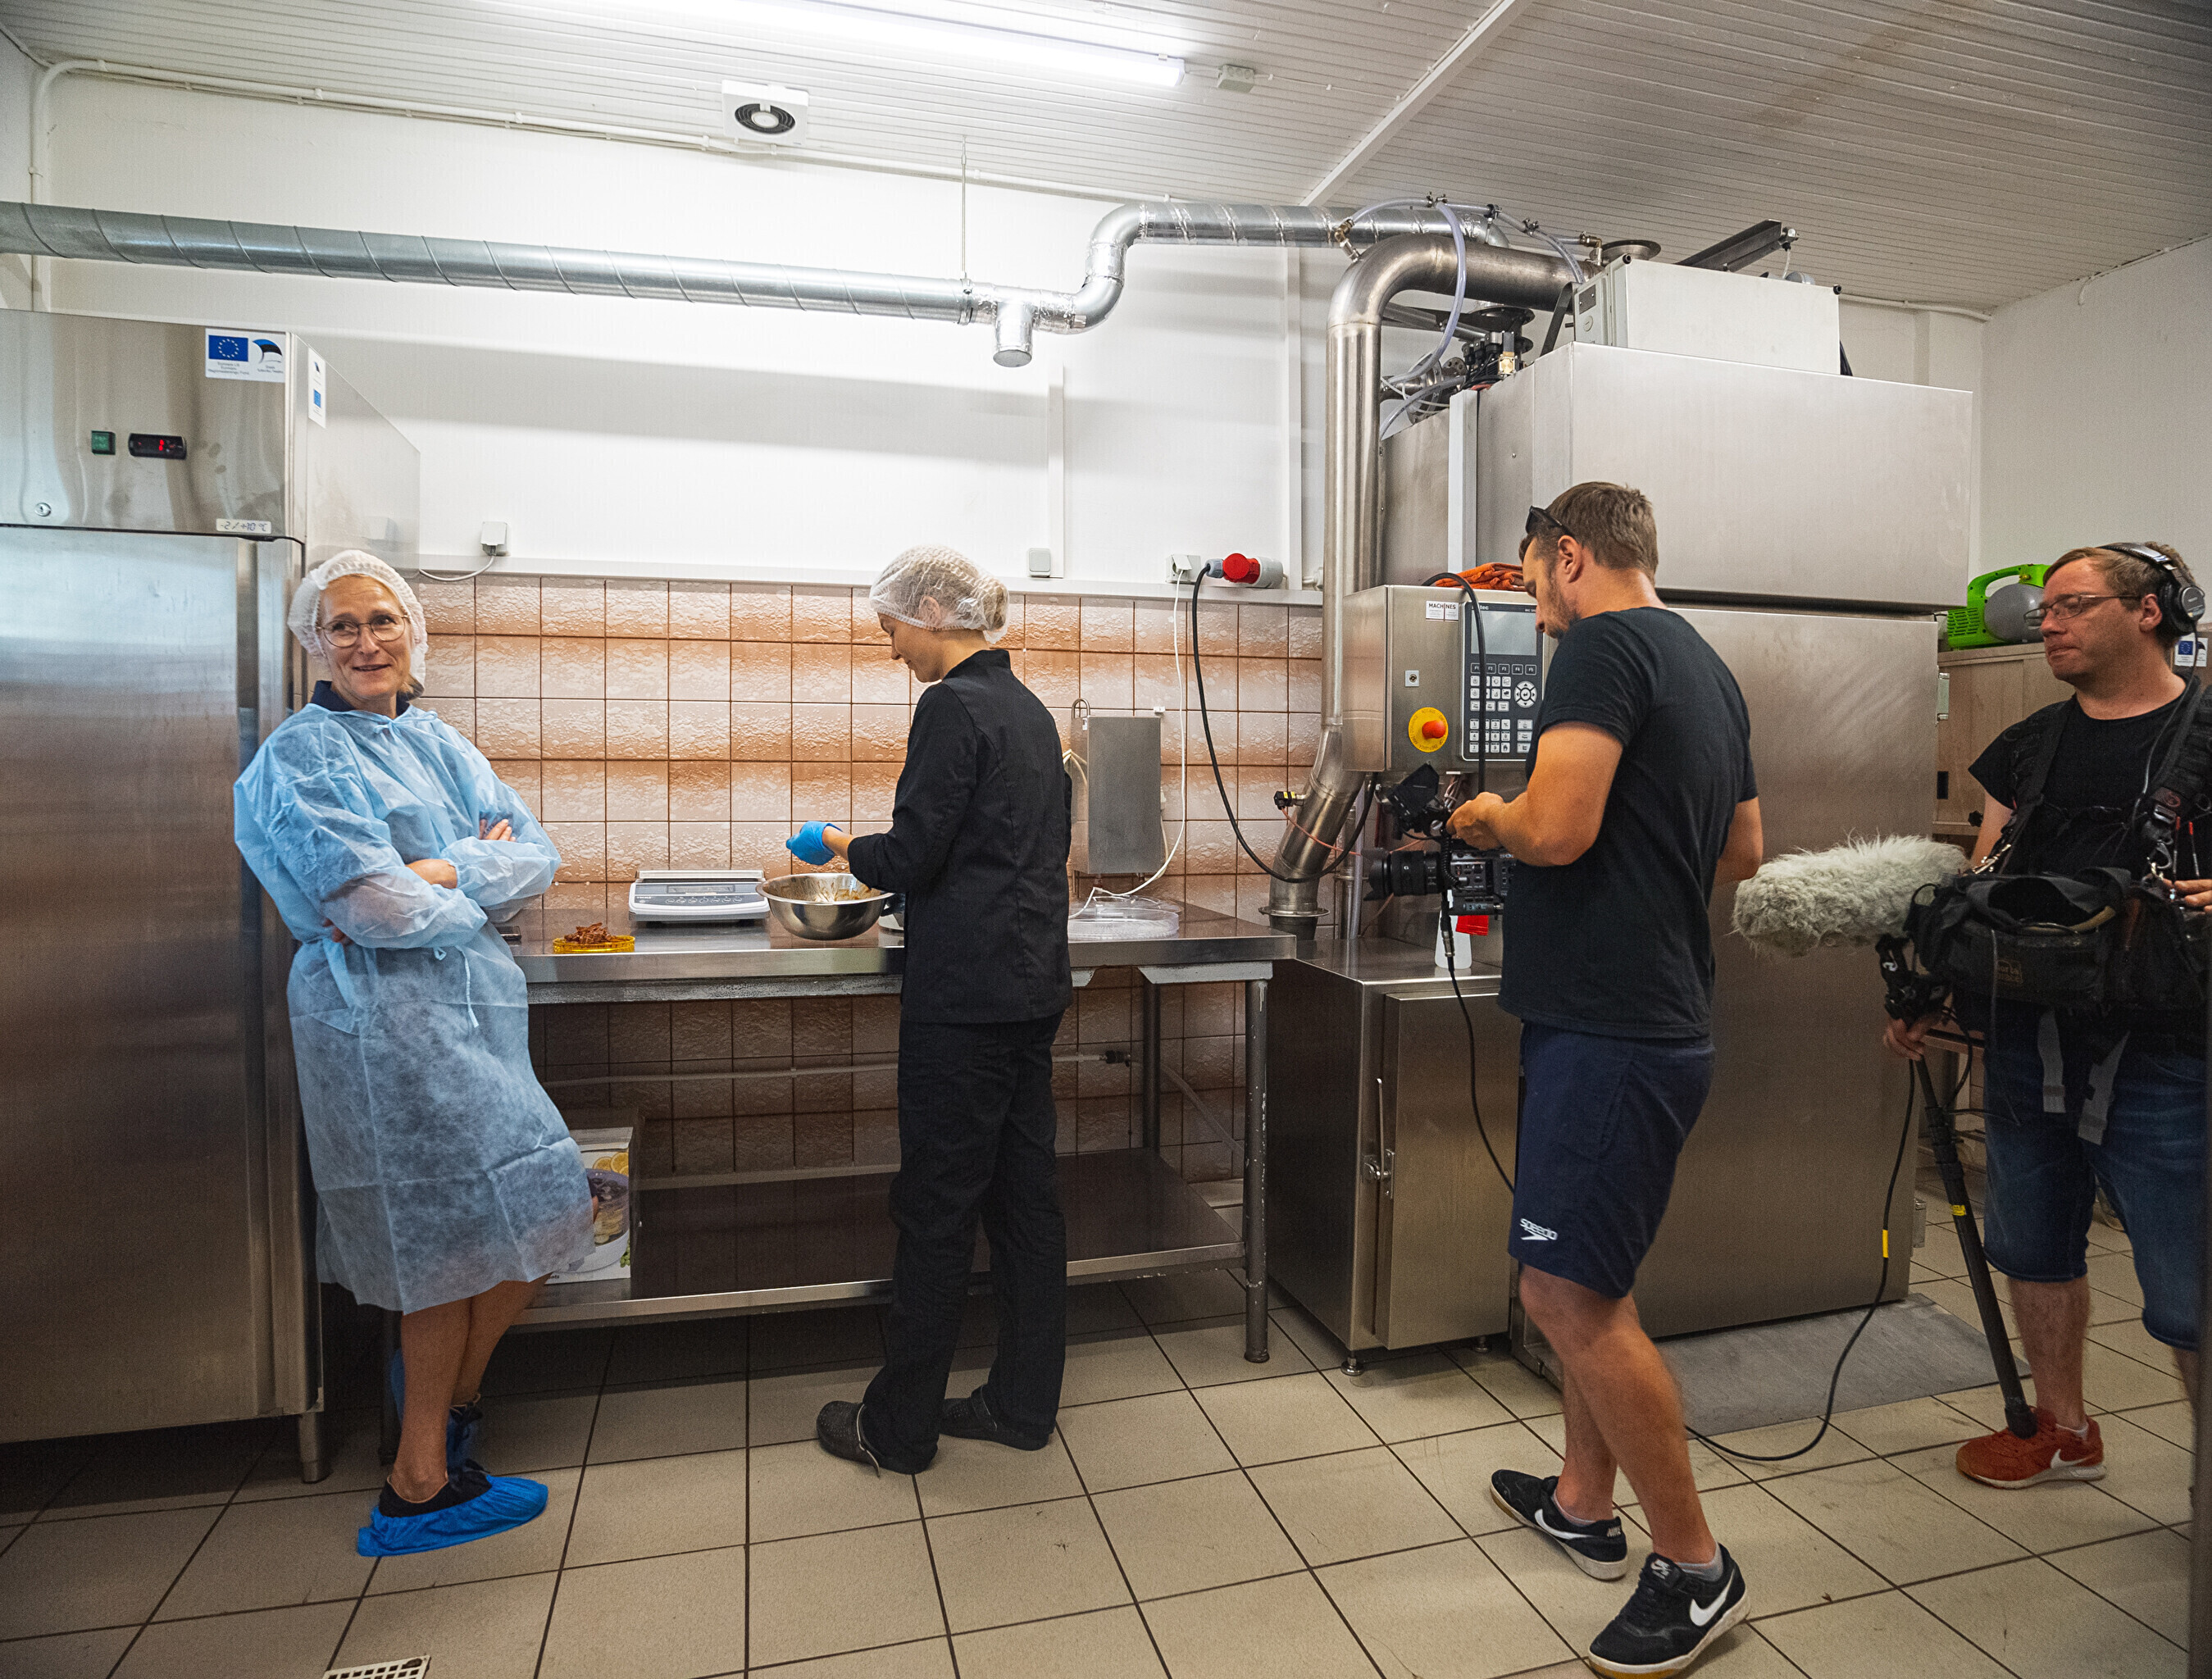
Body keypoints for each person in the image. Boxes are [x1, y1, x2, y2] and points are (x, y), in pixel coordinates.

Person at [1448, 484, 1764, 1679]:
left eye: (1534, 579)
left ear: (1570, 556)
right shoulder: (1704, 665)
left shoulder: (1601, 647)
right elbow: (1741, 849)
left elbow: (1559, 827)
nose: (1534, 605)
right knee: (1583, 1275)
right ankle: (1583, 1501)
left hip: (1610, 1029)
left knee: (1566, 1298)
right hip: (1646, 1016)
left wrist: (1494, 814)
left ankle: (1694, 1565)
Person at [235, 552, 593, 1557]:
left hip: (471, 1017)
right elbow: (373, 912)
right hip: (382, 1028)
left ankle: (449, 1401)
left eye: (382, 620)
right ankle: (418, 1480)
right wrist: (459, 879)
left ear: (412, 632)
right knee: (439, 1252)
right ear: (314, 642)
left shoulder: (438, 741)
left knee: (548, 1205)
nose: (365, 641)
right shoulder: (302, 758)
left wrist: (435, 867)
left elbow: (535, 855)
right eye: (342, 625)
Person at [1887, 541, 2208, 1490]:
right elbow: (1983, 882)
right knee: (2029, 1244)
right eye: (2044, 610)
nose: (2047, 623)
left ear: (2148, 610)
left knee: (2188, 1287)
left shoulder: (2205, 733)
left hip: (2167, 1053)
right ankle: (2063, 1428)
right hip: (2029, 1040)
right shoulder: (2028, 745)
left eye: (2071, 604)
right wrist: (1931, 987)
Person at [789, 545, 1074, 1475]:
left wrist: (842, 842)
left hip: (966, 1001)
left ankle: (898, 1428)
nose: (891, 647)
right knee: (1025, 1201)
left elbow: (913, 854)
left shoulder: (950, 705)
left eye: (892, 629)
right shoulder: (1028, 708)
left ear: (935, 612)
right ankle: (1021, 1403)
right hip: (1032, 987)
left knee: (938, 1207)